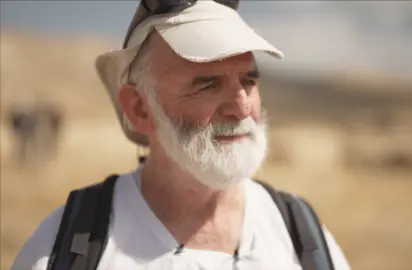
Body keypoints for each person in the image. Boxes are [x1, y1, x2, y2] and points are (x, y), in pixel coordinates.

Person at [11, 0, 351, 269]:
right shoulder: (67, 246)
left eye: (248, 80)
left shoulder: (301, 235)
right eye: (208, 84)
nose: (241, 107)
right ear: (140, 109)